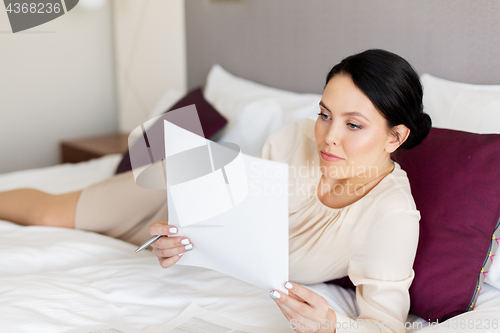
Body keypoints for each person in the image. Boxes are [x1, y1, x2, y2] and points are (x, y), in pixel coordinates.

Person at [0, 49, 431, 333]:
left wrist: (333, 324)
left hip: (202, 201)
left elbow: (385, 325)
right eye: (324, 114)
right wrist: (179, 241)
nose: (327, 137)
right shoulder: (293, 138)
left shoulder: (390, 216)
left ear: (394, 137)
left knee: (85, 227)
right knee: (46, 215)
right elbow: (233, 219)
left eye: (353, 125)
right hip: (189, 181)